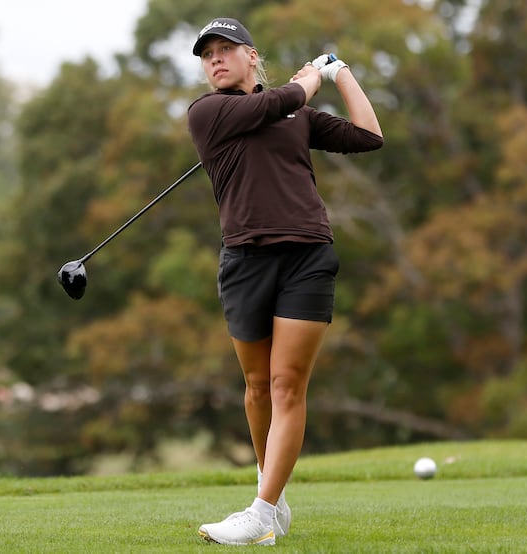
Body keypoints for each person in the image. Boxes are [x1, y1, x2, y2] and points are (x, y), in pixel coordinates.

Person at [187, 18, 384, 546]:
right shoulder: (208, 113)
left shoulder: (294, 111)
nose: (216, 60)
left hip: (307, 256)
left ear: (253, 56)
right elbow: (269, 106)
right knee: (256, 389)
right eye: (208, 55)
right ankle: (268, 495)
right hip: (245, 261)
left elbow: (368, 136)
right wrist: (305, 82)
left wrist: (340, 73)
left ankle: (261, 510)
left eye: (227, 50)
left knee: (286, 384)